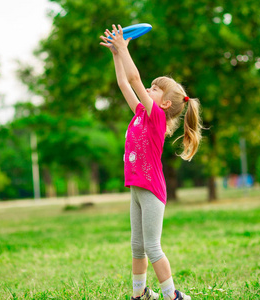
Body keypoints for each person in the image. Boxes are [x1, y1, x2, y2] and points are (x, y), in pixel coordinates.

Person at [100, 24, 202, 300]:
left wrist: (124, 48)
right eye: (151, 85)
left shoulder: (156, 118)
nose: (148, 88)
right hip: (137, 187)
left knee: (153, 247)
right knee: (137, 246)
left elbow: (134, 79)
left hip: (152, 191)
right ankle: (139, 294)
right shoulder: (139, 114)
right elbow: (124, 83)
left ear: (166, 104)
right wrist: (116, 54)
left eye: (154, 89)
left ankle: (172, 296)